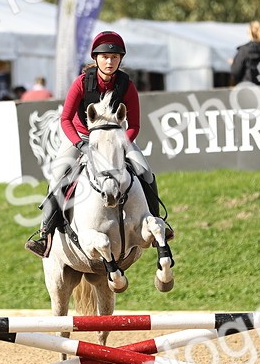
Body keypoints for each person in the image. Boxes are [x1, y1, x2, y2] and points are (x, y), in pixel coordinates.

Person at [24, 30, 169, 258]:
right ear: (95, 59)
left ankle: (159, 219)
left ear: (120, 59)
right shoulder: (82, 83)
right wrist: (80, 145)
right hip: (81, 137)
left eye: (114, 57)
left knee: (145, 171)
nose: (109, 61)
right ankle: (45, 234)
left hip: (116, 139)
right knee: (59, 175)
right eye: (104, 57)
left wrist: (122, 144)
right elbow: (65, 119)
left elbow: (135, 125)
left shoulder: (127, 85)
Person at [229, 21, 260, 85]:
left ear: (250, 33)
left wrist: (234, 63)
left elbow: (235, 72)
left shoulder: (244, 51)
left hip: (248, 89)